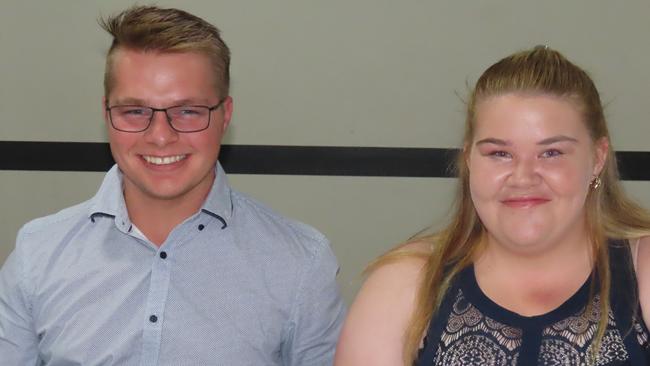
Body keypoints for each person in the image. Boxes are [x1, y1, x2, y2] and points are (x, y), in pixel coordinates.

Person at [0, 6, 345, 365]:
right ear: (107, 115)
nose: (161, 137)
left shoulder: (300, 263)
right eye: (135, 111)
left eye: (188, 111)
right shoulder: (37, 255)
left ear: (225, 115)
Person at [334, 46, 650, 365]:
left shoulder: (643, 269)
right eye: (499, 154)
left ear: (597, 158)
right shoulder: (405, 284)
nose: (523, 177)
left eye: (551, 153)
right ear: (469, 158)